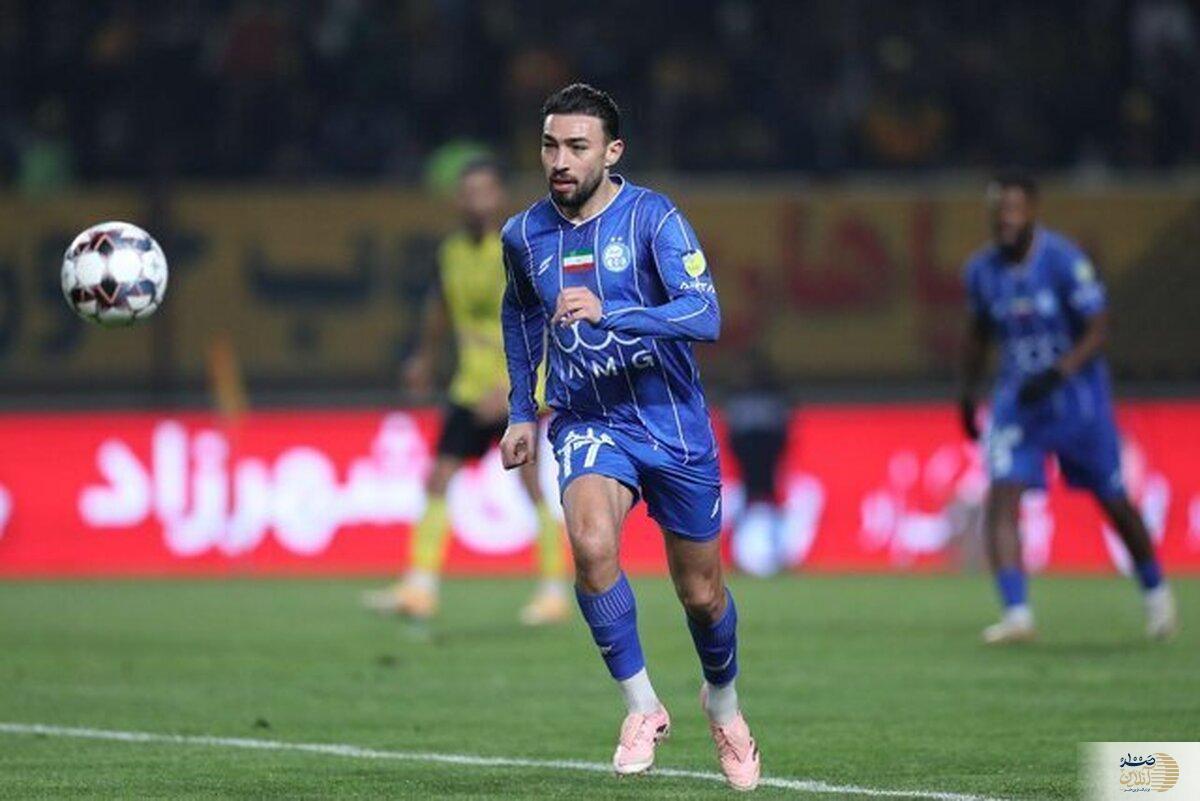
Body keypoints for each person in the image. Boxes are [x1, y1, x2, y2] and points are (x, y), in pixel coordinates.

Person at [498, 83, 760, 790]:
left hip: (671, 421)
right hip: (589, 418)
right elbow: (519, 314)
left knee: (701, 593)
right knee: (590, 545)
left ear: (612, 152)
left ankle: (723, 705)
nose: (560, 160)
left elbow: (705, 315)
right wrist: (523, 410)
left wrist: (611, 310)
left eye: (576, 146)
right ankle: (642, 706)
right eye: (550, 145)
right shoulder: (522, 235)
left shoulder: (653, 218)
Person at [958, 172, 1178, 644]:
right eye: (999, 211)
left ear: (1032, 211)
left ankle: (1156, 592)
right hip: (1018, 400)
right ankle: (1017, 614)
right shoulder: (981, 271)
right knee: (1002, 494)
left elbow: (1099, 327)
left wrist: (1060, 372)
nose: (1006, 219)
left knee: (1113, 499)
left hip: (1077, 402)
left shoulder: (1063, 260)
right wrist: (967, 393)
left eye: (1014, 209)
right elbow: (978, 334)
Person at [363, 158, 570, 627]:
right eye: (468, 192)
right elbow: (440, 307)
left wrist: (517, 388)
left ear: (500, 197)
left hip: (517, 390)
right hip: (469, 388)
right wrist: (423, 358)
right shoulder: (451, 253)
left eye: (484, 191)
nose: (476, 200)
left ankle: (554, 590)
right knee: (438, 477)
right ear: (458, 200)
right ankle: (419, 588)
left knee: (530, 482)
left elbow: (545, 318)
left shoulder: (520, 249)